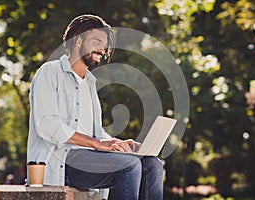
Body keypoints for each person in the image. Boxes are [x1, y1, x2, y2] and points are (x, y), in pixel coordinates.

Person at [27, 14, 164, 200]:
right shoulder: (49, 72)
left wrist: (120, 144)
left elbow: (96, 133)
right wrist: (97, 143)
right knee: (128, 165)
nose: (102, 49)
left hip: (90, 157)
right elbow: (46, 124)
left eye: (105, 44)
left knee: (152, 164)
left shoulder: (90, 83)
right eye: (97, 42)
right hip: (61, 160)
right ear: (77, 41)